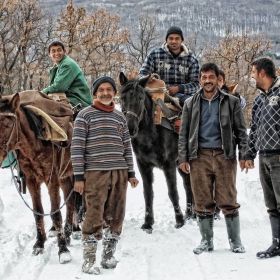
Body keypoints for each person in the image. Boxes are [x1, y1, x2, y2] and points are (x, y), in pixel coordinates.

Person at [70, 76, 139, 274]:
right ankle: (89, 260)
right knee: (93, 212)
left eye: (109, 89)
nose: (105, 92)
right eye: (101, 90)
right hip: (94, 173)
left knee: (116, 213)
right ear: (95, 93)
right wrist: (79, 177)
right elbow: (77, 148)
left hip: (119, 172)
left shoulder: (120, 117)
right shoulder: (85, 115)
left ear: (115, 94)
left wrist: (131, 172)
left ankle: (108, 255)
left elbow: (126, 146)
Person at [178, 62, 247, 254]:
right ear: (200, 79)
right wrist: (183, 157)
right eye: (204, 77)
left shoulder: (231, 102)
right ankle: (206, 241)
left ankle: (235, 241)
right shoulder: (190, 103)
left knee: (228, 198)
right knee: (202, 199)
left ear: (218, 79)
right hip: (199, 157)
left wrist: (244, 154)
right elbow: (183, 133)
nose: (207, 81)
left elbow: (241, 130)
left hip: (225, 156)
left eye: (211, 77)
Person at [245, 58, 280, 258]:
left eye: (253, 72)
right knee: (271, 203)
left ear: (262, 73)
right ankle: (276, 242)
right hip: (264, 157)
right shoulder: (259, 99)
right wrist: (250, 154)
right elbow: (255, 129)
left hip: (278, 156)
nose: (251, 76)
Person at [138, 26, 200, 107]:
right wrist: (147, 79)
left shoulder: (191, 59)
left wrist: (179, 88)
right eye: (171, 38)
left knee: (194, 104)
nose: (174, 41)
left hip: (181, 96)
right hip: (156, 93)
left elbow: (196, 84)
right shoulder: (154, 54)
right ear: (166, 40)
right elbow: (141, 75)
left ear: (182, 40)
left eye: (177, 38)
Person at [42, 41, 93, 108]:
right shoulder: (58, 66)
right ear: (49, 54)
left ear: (64, 51)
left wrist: (40, 93)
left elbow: (59, 87)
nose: (56, 53)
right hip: (68, 98)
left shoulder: (67, 65)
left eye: (59, 50)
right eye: (53, 51)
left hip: (78, 101)